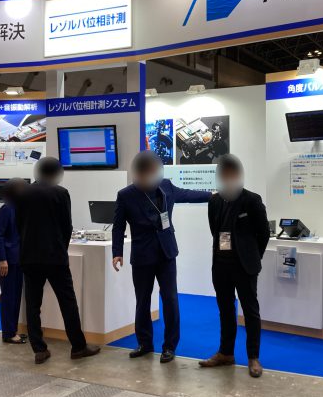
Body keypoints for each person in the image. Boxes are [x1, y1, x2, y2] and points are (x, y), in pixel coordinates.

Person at [113, 151, 211, 363]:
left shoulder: (166, 186)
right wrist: (117, 252)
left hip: (166, 253)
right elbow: (118, 226)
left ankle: (170, 346)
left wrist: (213, 195)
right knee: (143, 301)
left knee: (170, 299)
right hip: (142, 255)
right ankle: (144, 344)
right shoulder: (126, 195)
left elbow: (188, 195)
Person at [16, 157, 100, 364]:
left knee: (32, 305)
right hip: (55, 257)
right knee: (67, 302)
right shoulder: (61, 193)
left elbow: (19, 225)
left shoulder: (22, 193)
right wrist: (61, 248)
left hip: (29, 257)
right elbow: (66, 226)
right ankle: (78, 347)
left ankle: (39, 349)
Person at [199, 154, 270, 378]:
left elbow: (264, 234)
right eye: (224, 174)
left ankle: (253, 357)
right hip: (221, 265)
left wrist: (253, 257)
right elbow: (215, 230)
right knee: (225, 310)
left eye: (231, 173)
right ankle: (226, 353)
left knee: (250, 311)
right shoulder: (214, 201)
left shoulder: (252, 200)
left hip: (244, 266)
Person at [0, 178, 28, 344]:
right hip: (8, 260)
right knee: (9, 297)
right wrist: (2, 259)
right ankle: (8, 333)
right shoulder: (6, 209)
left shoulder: (19, 208)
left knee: (16, 296)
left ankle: (13, 330)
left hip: (18, 258)